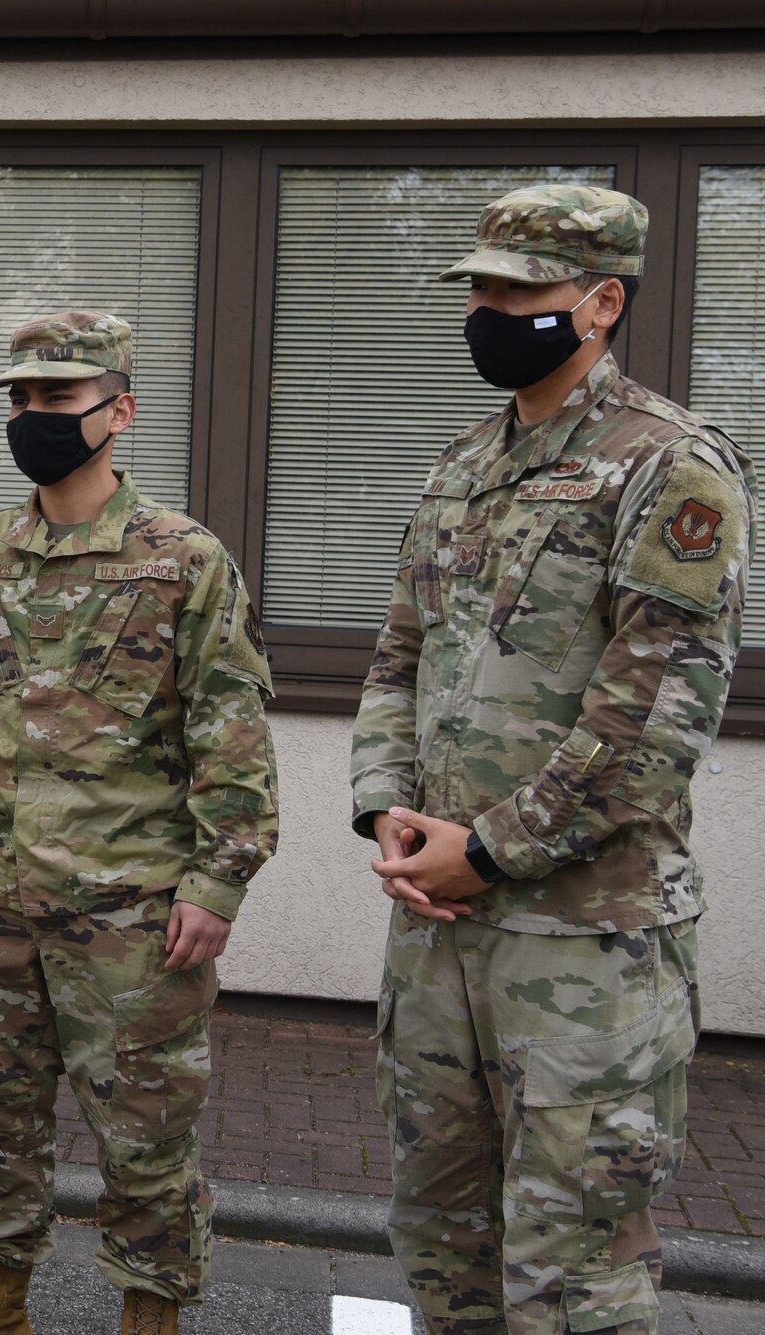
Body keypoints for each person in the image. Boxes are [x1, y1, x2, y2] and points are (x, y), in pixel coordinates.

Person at [352, 185, 755, 1334]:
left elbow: (655, 718)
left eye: (515, 292)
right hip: (437, 939)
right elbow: (397, 657)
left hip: (583, 944)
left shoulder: (669, 466)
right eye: (477, 288)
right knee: (443, 1252)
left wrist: (488, 847)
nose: (485, 310)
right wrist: (384, 809)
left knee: (567, 1276)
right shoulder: (462, 466)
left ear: (599, 303)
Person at [0, 312, 279, 1335]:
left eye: (56, 398)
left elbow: (230, 739)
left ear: (118, 412)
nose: (33, 416)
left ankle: (149, 1318)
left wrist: (216, 882)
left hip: (132, 913)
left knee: (144, 1130)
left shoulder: (180, 562)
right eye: (19, 399)